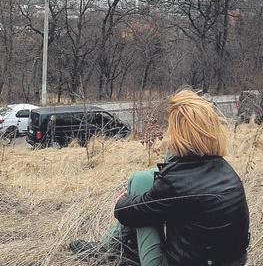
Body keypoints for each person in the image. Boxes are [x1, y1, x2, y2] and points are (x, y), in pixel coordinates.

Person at [70, 90, 250, 266]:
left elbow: (126, 213)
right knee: (147, 177)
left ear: (181, 133)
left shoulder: (176, 183)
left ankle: (107, 249)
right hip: (229, 261)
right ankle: (108, 248)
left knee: (139, 181)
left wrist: (123, 201)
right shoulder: (226, 170)